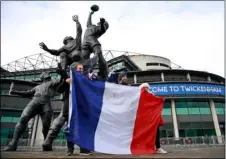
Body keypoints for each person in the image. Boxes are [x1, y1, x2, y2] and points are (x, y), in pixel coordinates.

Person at [42, 62, 91, 155]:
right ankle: (70, 149)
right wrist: (65, 82)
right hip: (70, 109)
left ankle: (83, 149)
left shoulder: (84, 79)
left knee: (82, 129)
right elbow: (58, 90)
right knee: (70, 129)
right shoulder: (68, 78)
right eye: (79, 69)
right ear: (74, 69)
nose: (81, 70)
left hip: (81, 109)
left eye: (82, 69)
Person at [4, 72, 61, 151]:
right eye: (45, 74)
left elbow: (60, 80)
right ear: (43, 77)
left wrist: (62, 71)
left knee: (46, 126)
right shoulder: (37, 87)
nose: (47, 74)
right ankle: (13, 144)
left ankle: (46, 144)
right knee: (23, 118)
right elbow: (27, 93)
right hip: (35, 102)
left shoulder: (52, 82)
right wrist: (15, 92)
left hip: (46, 104)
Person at [139, 83, 167, 154]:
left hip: (152, 118)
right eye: (145, 88)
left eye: (147, 88)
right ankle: (150, 147)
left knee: (156, 132)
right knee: (147, 133)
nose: (146, 89)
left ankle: (157, 147)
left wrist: (160, 100)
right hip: (145, 118)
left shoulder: (151, 94)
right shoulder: (141, 95)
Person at [81, 10, 109, 80]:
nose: (99, 23)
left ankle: (96, 69)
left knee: (98, 55)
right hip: (85, 43)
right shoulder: (90, 26)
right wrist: (90, 14)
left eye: (103, 24)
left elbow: (103, 30)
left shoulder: (100, 28)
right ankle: (84, 74)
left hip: (94, 42)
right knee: (83, 58)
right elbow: (88, 22)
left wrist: (102, 24)